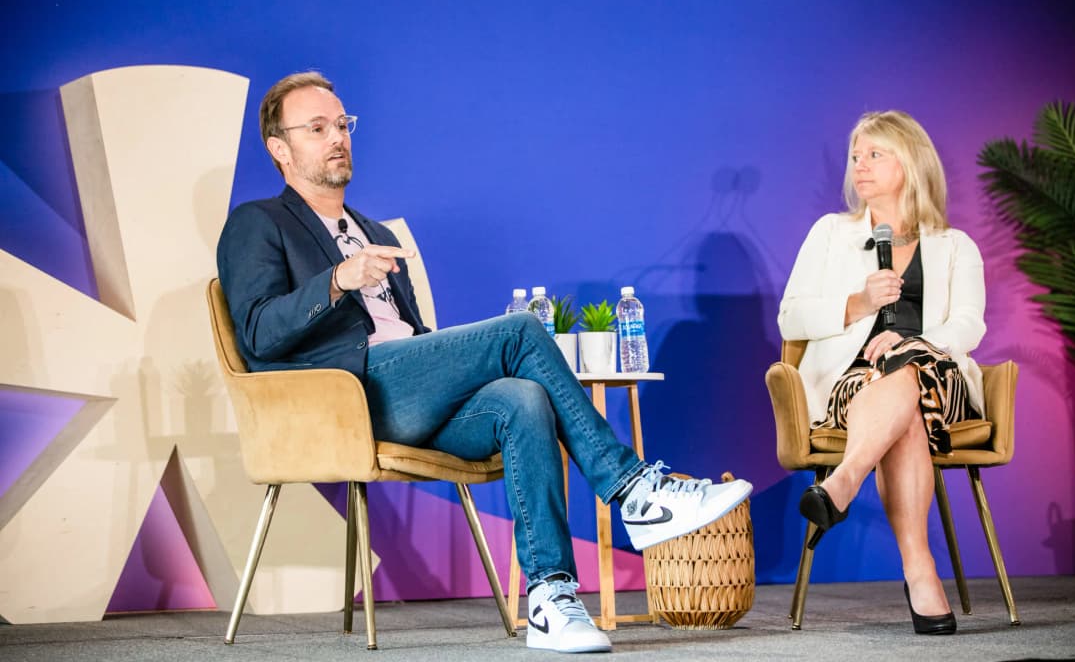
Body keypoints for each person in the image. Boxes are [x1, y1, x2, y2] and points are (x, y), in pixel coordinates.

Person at [216, 71, 753, 654]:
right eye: (317, 128)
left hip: (409, 393)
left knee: (524, 398)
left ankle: (549, 598)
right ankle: (636, 492)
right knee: (522, 330)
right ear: (280, 149)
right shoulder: (259, 222)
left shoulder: (372, 231)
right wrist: (339, 279)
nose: (337, 137)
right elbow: (258, 334)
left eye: (342, 124)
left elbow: (414, 335)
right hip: (350, 397)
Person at [778, 110, 986, 635]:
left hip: (939, 379)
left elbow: (969, 324)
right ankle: (920, 571)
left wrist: (915, 344)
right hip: (856, 384)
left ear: (911, 162)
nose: (859, 166)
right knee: (903, 407)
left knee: (910, 371)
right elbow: (791, 318)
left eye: (875, 154)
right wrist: (857, 303)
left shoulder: (955, 245)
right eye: (855, 157)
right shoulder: (830, 234)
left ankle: (844, 482)